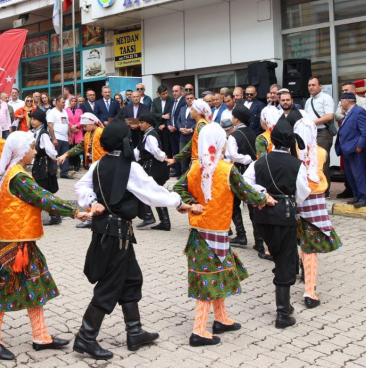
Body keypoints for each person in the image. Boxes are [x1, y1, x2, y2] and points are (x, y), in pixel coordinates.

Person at [72, 116, 191, 360]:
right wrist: (180, 202)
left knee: (131, 279)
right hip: (116, 235)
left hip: (111, 232)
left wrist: (91, 201)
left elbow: (80, 188)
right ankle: (85, 337)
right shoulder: (130, 167)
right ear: (124, 141)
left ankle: (134, 332)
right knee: (109, 285)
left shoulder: (99, 163)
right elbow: (152, 192)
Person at [0, 132, 89, 360]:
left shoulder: (13, 173)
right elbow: (43, 197)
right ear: (21, 151)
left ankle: (41, 337)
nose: (35, 151)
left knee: (35, 286)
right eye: (32, 148)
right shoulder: (19, 177)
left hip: (22, 240)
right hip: (12, 244)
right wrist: (74, 212)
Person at [173, 123, 271, 346]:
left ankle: (221, 319)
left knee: (217, 275)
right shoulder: (226, 169)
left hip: (199, 232)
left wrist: (190, 204)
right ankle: (198, 331)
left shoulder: (195, 167)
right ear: (219, 142)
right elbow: (248, 193)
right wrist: (266, 199)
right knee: (208, 280)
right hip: (216, 231)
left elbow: (178, 189)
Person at [243, 118, 310, 329]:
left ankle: (286, 306)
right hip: (285, 215)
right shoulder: (297, 164)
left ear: (272, 140)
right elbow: (303, 193)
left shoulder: (258, 162)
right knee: (285, 261)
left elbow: (245, 184)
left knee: (278, 255)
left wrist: (263, 194)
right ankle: (282, 313)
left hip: (262, 217)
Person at [294, 118, 342, 309]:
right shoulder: (321, 152)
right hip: (315, 202)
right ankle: (309, 290)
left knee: (299, 241)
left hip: (295, 200)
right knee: (311, 247)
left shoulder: (292, 152)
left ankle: (298, 276)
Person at [225, 106, 259, 250]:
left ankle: (241, 234)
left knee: (233, 204)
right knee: (252, 207)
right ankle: (259, 241)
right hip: (252, 173)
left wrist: (245, 159)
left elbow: (232, 155)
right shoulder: (254, 133)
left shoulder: (234, 135)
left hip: (239, 172)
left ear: (237, 119)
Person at [133, 111, 172, 231]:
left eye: (142, 122)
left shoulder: (150, 135)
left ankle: (151, 217)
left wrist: (163, 157)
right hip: (151, 168)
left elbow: (156, 151)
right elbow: (139, 151)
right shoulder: (147, 134)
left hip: (154, 168)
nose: (140, 125)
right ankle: (164, 221)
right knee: (153, 192)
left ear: (148, 123)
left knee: (146, 191)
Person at [335, 93, 366, 208]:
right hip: (347, 149)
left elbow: (365, 131)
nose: (340, 104)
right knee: (351, 175)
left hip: (355, 149)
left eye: (341, 101)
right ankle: (357, 196)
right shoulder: (348, 113)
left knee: (359, 174)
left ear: (347, 101)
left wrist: (359, 146)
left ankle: (365, 198)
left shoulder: (359, 111)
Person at [304, 77, 335, 196]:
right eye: (309, 85)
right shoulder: (308, 101)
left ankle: (324, 189)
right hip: (311, 133)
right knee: (311, 160)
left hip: (323, 132)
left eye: (313, 85)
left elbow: (329, 116)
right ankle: (314, 186)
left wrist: (312, 122)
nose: (311, 87)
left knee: (322, 160)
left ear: (320, 86)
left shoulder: (326, 98)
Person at [170, 98, 212, 167]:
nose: (190, 111)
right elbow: (191, 144)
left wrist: (175, 159)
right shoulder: (200, 124)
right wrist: (176, 159)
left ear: (198, 112)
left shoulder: (201, 126)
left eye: (192, 109)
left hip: (201, 163)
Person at [170, 92, 196, 174]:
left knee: (193, 156)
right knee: (182, 156)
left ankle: (192, 174)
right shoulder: (182, 109)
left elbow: (199, 121)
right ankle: (183, 174)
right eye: (187, 98)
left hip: (193, 135)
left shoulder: (196, 109)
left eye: (191, 98)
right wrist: (180, 128)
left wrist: (191, 129)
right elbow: (178, 120)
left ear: (194, 99)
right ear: (185, 100)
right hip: (183, 136)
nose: (189, 100)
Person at [47, 95, 71, 179]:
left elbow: (66, 124)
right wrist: (53, 138)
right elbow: (50, 126)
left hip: (64, 138)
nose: (64, 104)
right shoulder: (52, 112)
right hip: (56, 137)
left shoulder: (64, 112)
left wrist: (70, 136)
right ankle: (53, 173)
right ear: (57, 103)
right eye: (62, 102)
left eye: (64, 102)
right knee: (54, 156)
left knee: (65, 156)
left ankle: (64, 173)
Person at [168, 85, 186, 177]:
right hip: (172, 131)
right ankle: (176, 169)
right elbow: (169, 116)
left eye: (176, 91)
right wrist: (168, 125)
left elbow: (182, 117)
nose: (174, 93)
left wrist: (177, 127)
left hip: (179, 131)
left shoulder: (183, 101)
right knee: (174, 151)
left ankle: (182, 171)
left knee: (180, 151)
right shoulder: (172, 102)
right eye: (173, 91)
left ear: (181, 92)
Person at [66, 97, 83, 172]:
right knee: (70, 147)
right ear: (69, 102)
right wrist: (71, 127)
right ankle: (70, 163)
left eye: (75, 101)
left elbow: (82, 120)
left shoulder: (79, 110)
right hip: (69, 131)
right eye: (72, 101)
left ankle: (77, 163)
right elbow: (64, 120)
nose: (74, 102)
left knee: (77, 148)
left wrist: (76, 126)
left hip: (78, 131)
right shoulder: (65, 110)